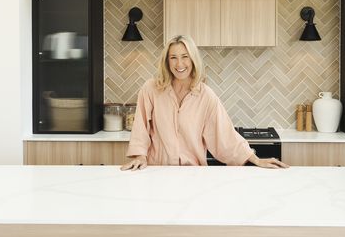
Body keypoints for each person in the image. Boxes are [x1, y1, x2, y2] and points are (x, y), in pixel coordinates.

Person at [121, 34, 288, 171]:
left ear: (193, 59)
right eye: (173, 58)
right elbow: (140, 128)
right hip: (157, 173)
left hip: (193, 175)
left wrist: (256, 160)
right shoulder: (151, 89)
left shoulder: (206, 96)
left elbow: (225, 135)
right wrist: (140, 155)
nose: (179, 64)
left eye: (185, 57)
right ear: (167, 61)